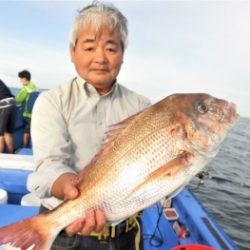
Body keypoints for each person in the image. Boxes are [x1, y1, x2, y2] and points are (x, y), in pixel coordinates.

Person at [28, 2, 151, 250]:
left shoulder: (142, 106)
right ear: (72, 52)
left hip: (126, 234)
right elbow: (49, 164)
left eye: (110, 48)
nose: (100, 58)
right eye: (89, 47)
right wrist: (71, 190)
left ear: (123, 55)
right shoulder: (52, 101)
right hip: (65, 234)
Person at [15, 70, 37, 148]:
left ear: (24, 79)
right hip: (34, 112)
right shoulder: (34, 86)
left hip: (27, 113)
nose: (20, 81)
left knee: (26, 130)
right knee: (32, 129)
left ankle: (25, 146)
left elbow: (18, 100)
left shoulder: (25, 89)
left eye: (20, 79)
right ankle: (32, 146)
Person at [0, 79, 16, 153]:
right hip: (12, 103)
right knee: (7, 132)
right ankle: (11, 154)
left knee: (0, 134)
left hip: (4, 105)